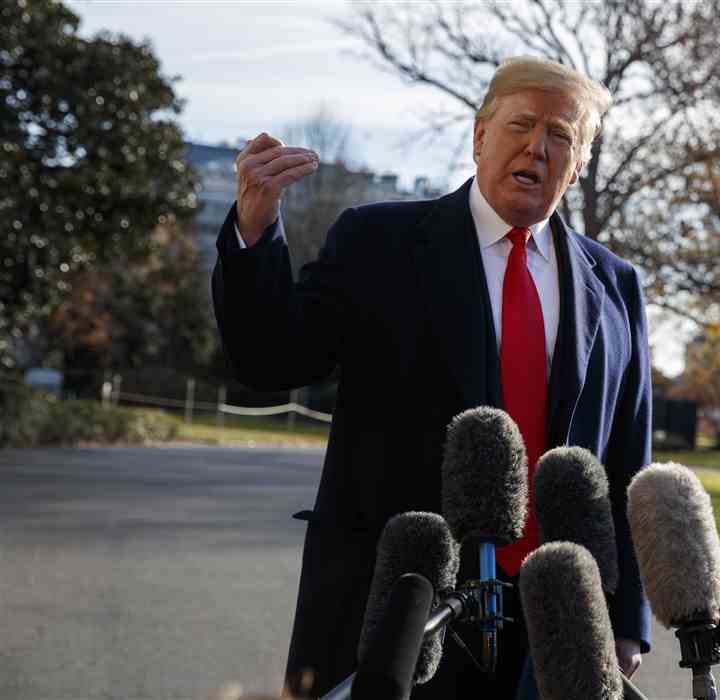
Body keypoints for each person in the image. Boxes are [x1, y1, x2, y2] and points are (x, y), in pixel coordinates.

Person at [211, 56, 652, 699]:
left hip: (556, 621)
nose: (538, 146)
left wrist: (627, 619)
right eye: (521, 125)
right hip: (399, 609)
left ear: (580, 161)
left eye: (561, 136)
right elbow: (273, 359)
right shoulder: (378, 240)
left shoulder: (616, 284)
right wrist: (254, 230)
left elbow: (627, 464)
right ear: (479, 136)